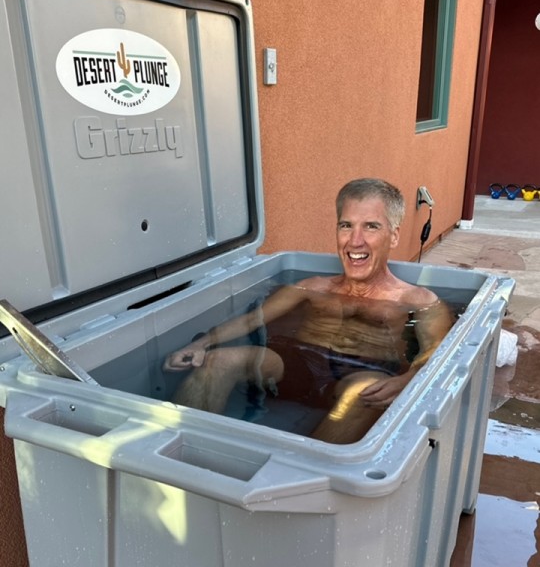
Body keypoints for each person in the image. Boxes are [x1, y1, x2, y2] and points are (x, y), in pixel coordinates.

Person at [163, 178, 454, 443]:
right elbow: (253, 319)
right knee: (217, 361)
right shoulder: (312, 287)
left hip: (365, 371)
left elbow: (438, 351)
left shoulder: (418, 299)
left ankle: (301, 478)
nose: (355, 240)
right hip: (295, 363)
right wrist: (201, 344)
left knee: (362, 394)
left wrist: (405, 381)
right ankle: (175, 454)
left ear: (393, 236)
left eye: (371, 226)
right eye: (346, 225)